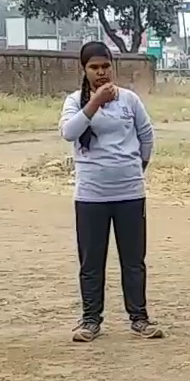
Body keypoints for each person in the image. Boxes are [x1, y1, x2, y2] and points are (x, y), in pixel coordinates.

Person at [59, 41, 160, 342]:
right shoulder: (75, 102)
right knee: (92, 260)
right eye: (94, 67)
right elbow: (68, 132)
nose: (101, 73)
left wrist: (134, 168)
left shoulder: (129, 100)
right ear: (84, 69)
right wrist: (94, 103)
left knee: (133, 259)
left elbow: (146, 136)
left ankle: (139, 317)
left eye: (105, 66)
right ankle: (91, 320)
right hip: (91, 195)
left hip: (129, 192)